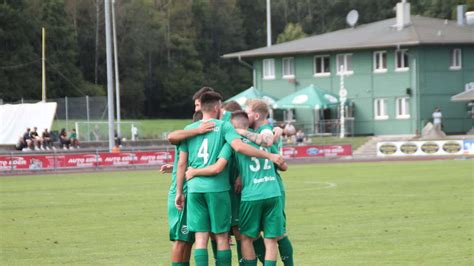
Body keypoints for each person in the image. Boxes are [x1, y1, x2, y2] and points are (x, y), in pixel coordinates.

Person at [174, 92, 283, 266]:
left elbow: (181, 164)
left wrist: (179, 191)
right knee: (222, 236)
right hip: (218, 189)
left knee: (200, 238)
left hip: (194, 189)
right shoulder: (224, 127)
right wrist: (268, 156)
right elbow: (238, 147)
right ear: (217, 107)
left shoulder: (189, 130)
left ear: (200, 107)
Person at [236, 99, 294, 265]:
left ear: (255, 114)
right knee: (272, 238)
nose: (246, 116)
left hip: (257, 191)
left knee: (252, 237)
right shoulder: (263, 132)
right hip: (271, 190)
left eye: (247, 112)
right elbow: (282, 164)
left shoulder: (260, 132)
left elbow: (278, 158)